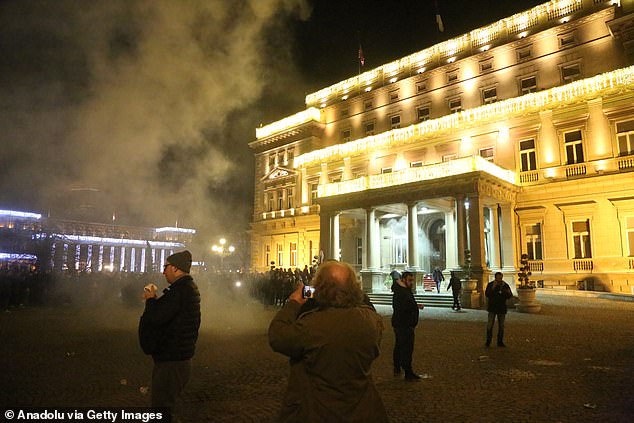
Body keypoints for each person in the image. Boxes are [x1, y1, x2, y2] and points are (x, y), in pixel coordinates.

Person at [268, 261, 388, 423]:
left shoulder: (312, 324)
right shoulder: (372, 322)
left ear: (320, 289)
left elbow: (278, 336)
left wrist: (294, 303)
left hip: (318, 410)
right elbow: (365, 305)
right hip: (362, 410)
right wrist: (353, 293)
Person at [138, 250, 201, 418]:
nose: (163, 271)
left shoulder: (180, 291)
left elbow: (158, 318)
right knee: (166, 406)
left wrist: (151, 300)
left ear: (175, 268)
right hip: (177, 355)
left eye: (165, 267)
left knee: (162, 408)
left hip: (172, 359)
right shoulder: (185, 289)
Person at [391, 270, 424, 380]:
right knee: (406, 348)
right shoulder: (401, 291)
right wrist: (414, 307)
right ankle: (407, 371)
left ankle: (398, 367)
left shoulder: (403, 290)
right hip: (404, 324)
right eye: (410, 280)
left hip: (402, 323)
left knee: (400, 346)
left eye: (412, 280)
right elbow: (402, 307)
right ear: (403, 279)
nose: (412, 283)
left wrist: (415, 306)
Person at [485, 272, 513, 347]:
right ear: (495, 277)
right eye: (498, 277)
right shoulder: (491, 285)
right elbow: (487, 294)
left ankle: (500, 341)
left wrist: (505, 292)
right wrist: (493, 288)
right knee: (490, 325)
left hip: (501, 308)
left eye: (501, 277)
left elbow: (510, 295)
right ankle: (488, 341)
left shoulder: (505, 285)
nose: (500, 279)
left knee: (501, 326)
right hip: (492, 307)